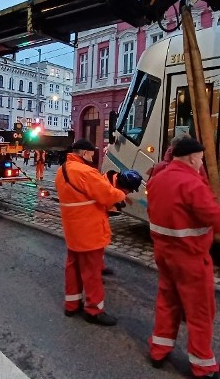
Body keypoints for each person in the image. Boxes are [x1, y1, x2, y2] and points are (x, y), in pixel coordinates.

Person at [146, 137, 220, 379]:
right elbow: (219, 219)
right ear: (193, 157)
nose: (201, 163)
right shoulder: (192, 184)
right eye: (201, 159)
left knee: (167, 302)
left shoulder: (159, 178)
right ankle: (203, 366)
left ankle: (159, 350)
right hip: (190, 257)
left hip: (164, 253)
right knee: (200, 312)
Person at [56, 139, 128, 326]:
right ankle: (94, 311)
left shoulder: (62, 170)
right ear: (84, 153)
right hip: (89, 229)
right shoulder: (86, 172)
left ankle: (72, 304)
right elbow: (108, 194)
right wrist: (122, 195)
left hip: (73, 229)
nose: (93, 156)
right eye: (91, 153)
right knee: (92, 272)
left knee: (73, 267)